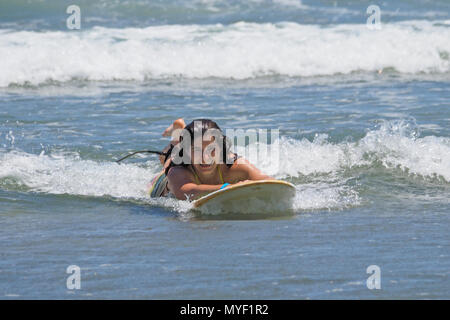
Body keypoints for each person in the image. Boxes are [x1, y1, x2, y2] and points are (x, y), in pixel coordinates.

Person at [149, 118, 272, 200]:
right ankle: (178, 131)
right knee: (169, 157)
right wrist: (227, 187)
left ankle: (179, 131)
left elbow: (269, 182)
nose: (205, 158)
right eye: (197, 150)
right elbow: (186, 192)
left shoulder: (235, 164)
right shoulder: (177, 172)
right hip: (164, 182)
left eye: (212, 149)